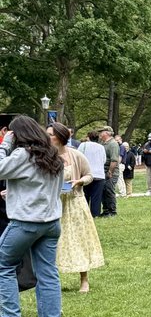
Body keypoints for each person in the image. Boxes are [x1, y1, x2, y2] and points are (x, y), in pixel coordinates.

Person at [0, 115, 65, 317]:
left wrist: (5, 145)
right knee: (47, 272)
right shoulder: (53, 156)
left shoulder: (21, 154)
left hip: (26, 223)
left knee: (3, 265)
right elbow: (41, 186)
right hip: (51, 222)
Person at [47, 121, 104, 291]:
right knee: (53, 242)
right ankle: (50, 280)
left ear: (60, 137)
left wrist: (80, 181)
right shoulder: (46, 157)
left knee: (79, 239)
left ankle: (84, 279)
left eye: (50, 134)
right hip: (53, 204)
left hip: (74, 202)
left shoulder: (76, 155)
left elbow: (89, 175)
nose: (47, 137)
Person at [78, 131, 108, 218]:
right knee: (96, 196)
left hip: (86, 173)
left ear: (88, 137)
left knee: (85, 195)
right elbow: (104, 160)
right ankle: (95, 214)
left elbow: (78, 157)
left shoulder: (83, 145)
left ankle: (85, 213)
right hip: (99, 174)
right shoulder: (101, 147)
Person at [98, 128, 120, 218]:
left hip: (111, 171)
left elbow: (114, 160)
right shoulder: (103, 143)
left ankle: (112, 211)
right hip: (103, 171)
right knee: (103, 191)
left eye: (101, 132)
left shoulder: (113, 144)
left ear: (106, 133)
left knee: (109, 191)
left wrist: (110, 172)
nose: (99, 134)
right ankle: (106, 210)